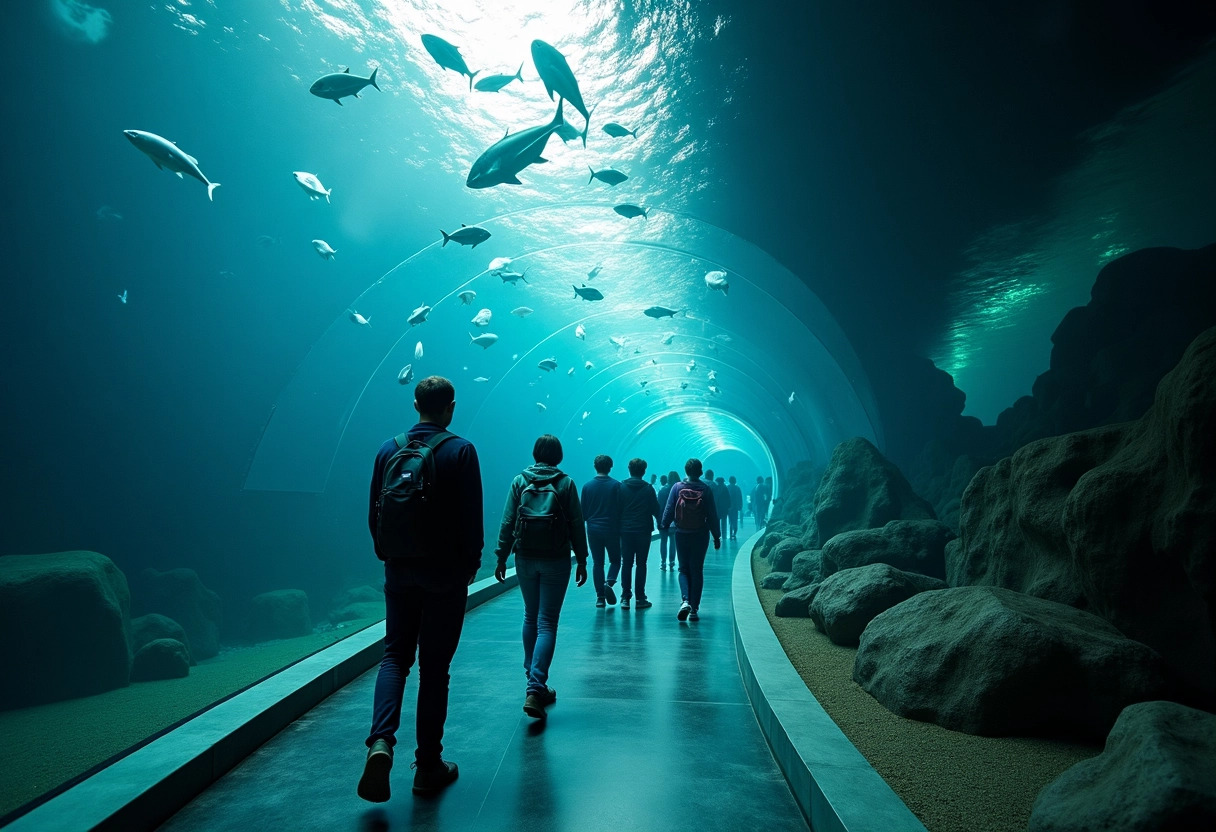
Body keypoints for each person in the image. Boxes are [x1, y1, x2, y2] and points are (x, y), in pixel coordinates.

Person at [359, 376, 483, 802]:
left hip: (399, 568)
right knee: (434, 668)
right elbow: (471, 517)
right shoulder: (461, 450)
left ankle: (380, 743)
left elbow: (374, 511)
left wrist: (388, 556)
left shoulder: (386, 449)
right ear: (451, 406)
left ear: (415, 404)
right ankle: (428, 766)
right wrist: (471, 564)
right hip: (445, 574)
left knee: (394, 657)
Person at [494, 434, 589, 719]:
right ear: (558, 455)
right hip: (556, 559)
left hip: (524, 557)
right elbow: (576, 524)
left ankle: (532, 677)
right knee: (547, 622)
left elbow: (508, 521)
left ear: (535, 453)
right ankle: (536, 687)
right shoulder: (566, 483)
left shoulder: (519, 481)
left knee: (530, 616)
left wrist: (501, 555)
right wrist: (582, 560)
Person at [660, 459, 720, 621]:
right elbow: (712, 515)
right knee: (697, 570)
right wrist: (717, 536)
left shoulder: (677, 487)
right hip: (700, 534)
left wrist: (664, 525)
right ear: (700, 472)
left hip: (682, 533)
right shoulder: (706, 489)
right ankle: (694, 610)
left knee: (683, 569)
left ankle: (685, 600)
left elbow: (669, 508)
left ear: (686, 471)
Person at [619, 458, 661, 609]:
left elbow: (616, 509)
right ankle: (640, 598)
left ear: (629, 470)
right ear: (644, 471)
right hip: (643, 530)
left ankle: (625, 597)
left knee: (626, 564)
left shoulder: (621, 487)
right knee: (641, 564)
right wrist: (662, 522)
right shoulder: (648, 488)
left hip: (625, 530)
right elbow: (655, 509)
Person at [581, 455, 622, 607]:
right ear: (610, 467)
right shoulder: (616, 485)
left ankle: (600, 598)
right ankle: (609, 583)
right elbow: (620, 509)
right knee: (616, 560)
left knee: (598, 563)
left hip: (593, 529)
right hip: (612, 529)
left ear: (595, 466)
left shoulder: (587, 486)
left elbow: (583, 513)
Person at [656, 470, 680, 571]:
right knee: (673, 541)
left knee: (663, 541)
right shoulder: (679, 490)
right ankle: (672, 562)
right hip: (674, 521)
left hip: (663, 519)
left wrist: (659, 520)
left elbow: (658, 507)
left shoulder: (662, 490)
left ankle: (663, 562)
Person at [712, 475, 731, 542]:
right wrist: (729, 506)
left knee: (717, 522)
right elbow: (728, 498)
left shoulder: (716, 488)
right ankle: (724, 535)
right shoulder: (725, 488)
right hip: (724, 508)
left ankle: (717, 535)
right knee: (724, 521)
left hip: (717, 508)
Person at [727, 476, 743, 540]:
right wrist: (740, 506)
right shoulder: (737, 488)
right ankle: (735, 531)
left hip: (729, 507)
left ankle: (731, 531)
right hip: (735, 507)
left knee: (730, 520)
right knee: (735, 519)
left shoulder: (727, 488)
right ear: (735, 481)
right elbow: (740, 498)